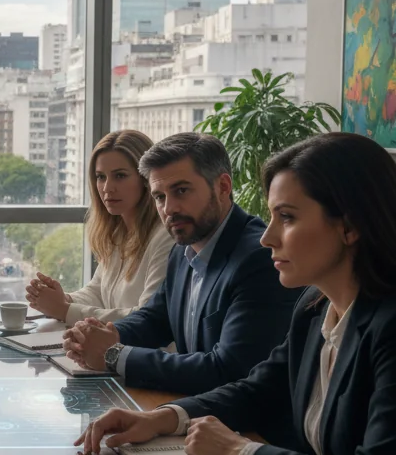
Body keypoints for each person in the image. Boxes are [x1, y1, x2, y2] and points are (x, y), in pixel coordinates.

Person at [77, 133, 396, 455]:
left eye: (286, 218)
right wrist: (162, 419)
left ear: (351, 225)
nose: (268, 236)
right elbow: (258, 388)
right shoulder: (315, 306)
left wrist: (240, 453)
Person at [64, 132, 300, 394]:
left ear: (223, 186)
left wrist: (114, 355)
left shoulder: (258, 258)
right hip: (195, 413)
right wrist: (101, 335)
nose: (169, 209)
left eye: (181, 191)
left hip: (247, 428)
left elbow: (228, 370)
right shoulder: (183, 248)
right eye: (160, 197)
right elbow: (156, 318)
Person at [26, 129, 173, 323]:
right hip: (112, 348)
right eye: (100, 177)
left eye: (120, 176)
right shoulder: (118, 232)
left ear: (147, 180)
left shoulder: (165, 237)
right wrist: (63, 299)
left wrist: (65, 310)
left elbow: (147, 321)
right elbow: (98, 292)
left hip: (143, 351)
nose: (107, 188)